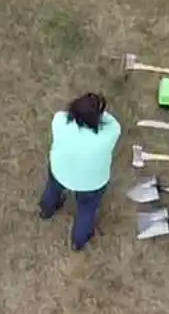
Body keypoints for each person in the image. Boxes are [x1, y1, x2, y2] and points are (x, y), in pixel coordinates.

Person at [39, 92, 122, 252]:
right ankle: (78, 241)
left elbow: (64, 113)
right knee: (86, 209)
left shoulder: (59, 121)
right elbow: (113, 122)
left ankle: (46, 210)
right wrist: (98, 111)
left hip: (60, 171)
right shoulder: (109, 134)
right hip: (91, 183)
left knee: (52, 189)